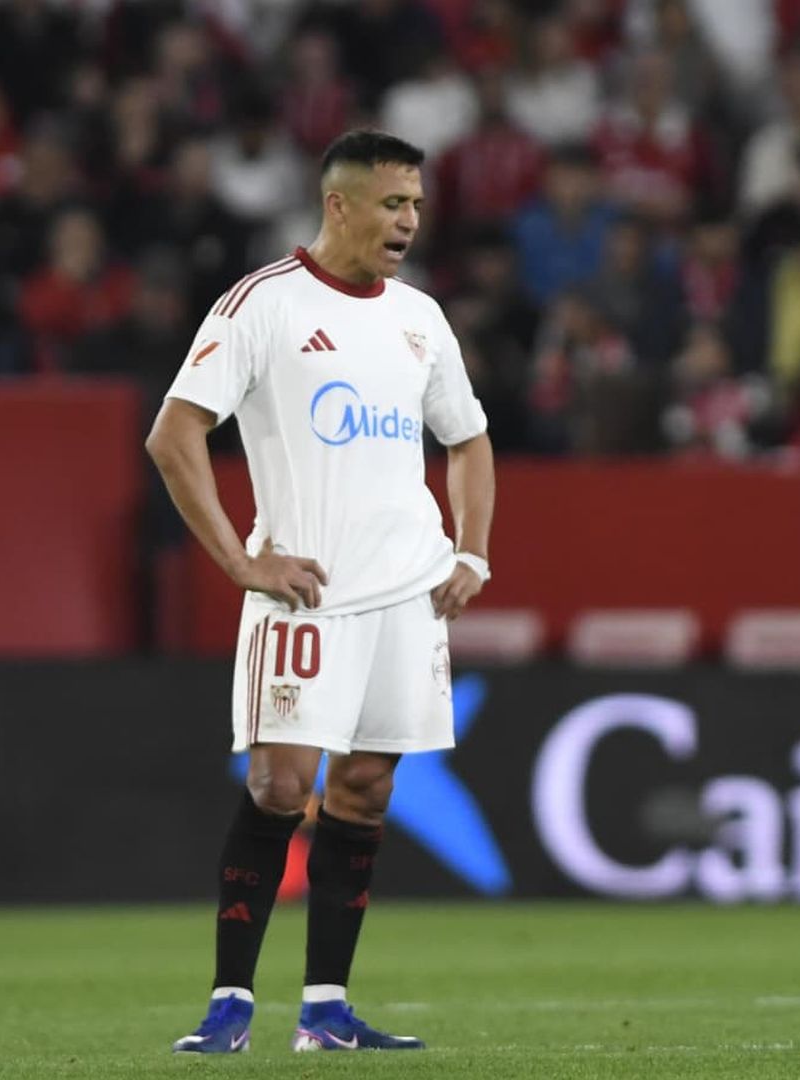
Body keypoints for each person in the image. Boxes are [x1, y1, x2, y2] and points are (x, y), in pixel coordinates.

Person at [146, 131, 495, 1054]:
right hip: (306, 594)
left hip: (408, 597)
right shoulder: (261, 304)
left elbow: (467, 438)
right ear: (338, 205)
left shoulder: (421, 316)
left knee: (367, 791)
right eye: (392, 204)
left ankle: (327, 1010)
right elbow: (173, 436)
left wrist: (473, 553)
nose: (409, 222)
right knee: (280, 782)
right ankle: (228, 1004)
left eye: (416, 205)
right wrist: (240, 562)